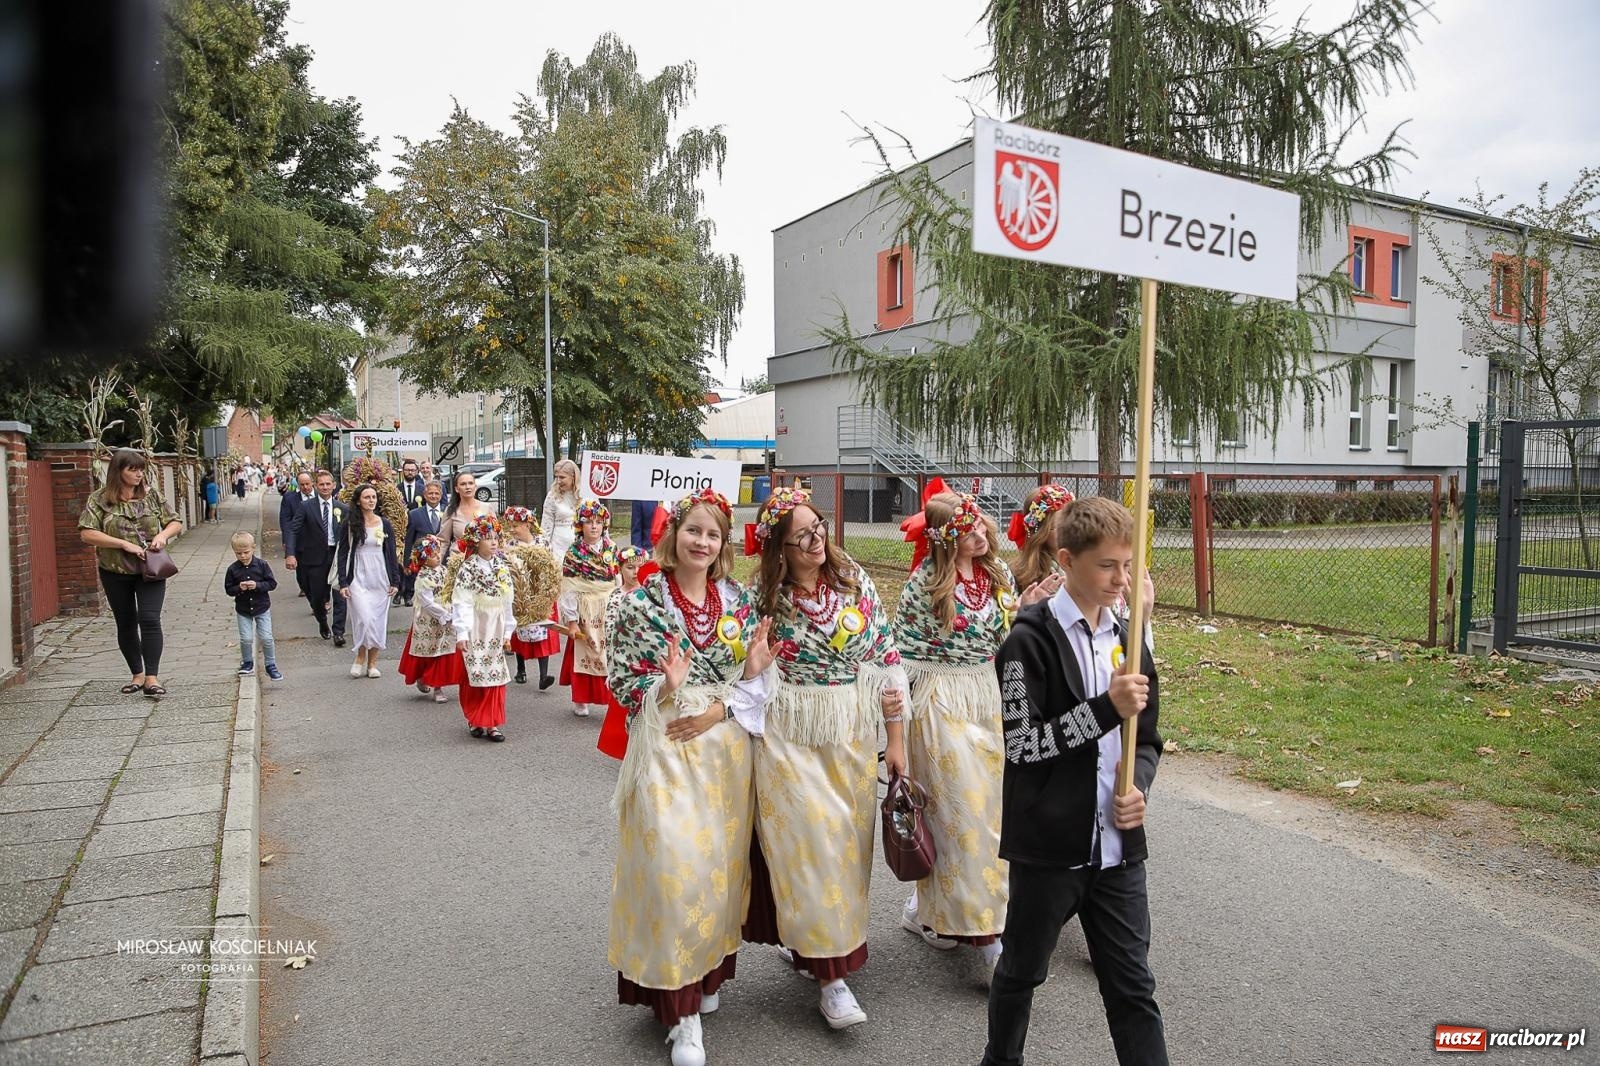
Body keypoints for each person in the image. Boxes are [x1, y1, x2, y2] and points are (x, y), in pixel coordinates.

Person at [982, 495, 1166, 1066]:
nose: (1122, 578)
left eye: (1128, 565)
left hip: (1116, 851)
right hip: (1049, 849)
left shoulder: (1128, 637)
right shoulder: (1025, 642)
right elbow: (1023, 745)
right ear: (1066, 560)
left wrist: (1136, 785)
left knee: (1133, 988)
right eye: (1107, 565)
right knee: (1020, 971)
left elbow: (1150, 738)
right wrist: (1105, 708)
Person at [603, 489, 775, 1066]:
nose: (702, 542)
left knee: (717, 874)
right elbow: (620, 681)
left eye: (713, 534)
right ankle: (680, 1018)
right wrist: (667, 690)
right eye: (693, 530)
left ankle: (705, 980)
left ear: (723, 544)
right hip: (666, 749)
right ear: (673, 533)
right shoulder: (640, 602)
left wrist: (728, 697)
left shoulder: (739, 601)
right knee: (672, 873)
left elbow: (759, 687)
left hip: (724, 755)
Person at [746, 487, 908, 1030]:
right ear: (779, 549)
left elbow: (886, 658)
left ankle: (821, 946)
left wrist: (897, 738)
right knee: (806, 849)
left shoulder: (854, 580)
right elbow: (742, 672)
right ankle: (831, 979)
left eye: (819, 528)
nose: (817, 542)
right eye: (803, 537)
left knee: (845, 848)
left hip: (848, 734)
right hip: (788, 736)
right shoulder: (762, 598)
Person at [893, 493, 1036, 980]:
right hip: (942, 701)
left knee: (993, 811)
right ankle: (987, 936)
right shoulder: (925, 585)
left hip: (988, 696)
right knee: (962, 814)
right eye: (968, 528)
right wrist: (900, 730)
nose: (981, 534)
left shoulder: (999, 576)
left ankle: (935, 910)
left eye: (982, 526)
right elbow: (903, 655)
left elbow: (1009, 633)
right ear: (945, 538)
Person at [77, 448, 184, 697]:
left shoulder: (151, 495)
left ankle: (152, 678)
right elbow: (86, 533)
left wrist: (162, 536)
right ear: (118, 471)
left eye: (141, 469)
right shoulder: (100, 499)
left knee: (149, 618)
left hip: (150, 568)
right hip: (114, 570)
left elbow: (175, 521)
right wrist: (122, 543)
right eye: (132, 469)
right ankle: (136, 674)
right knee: (126, 622)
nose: (139, 474)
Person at [450, 515, 516, 742]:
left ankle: (492, 723)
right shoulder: (468, 568)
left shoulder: (501, 566)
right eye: (487, 538)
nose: (493, 542)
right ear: (476, 541)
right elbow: (461, 601)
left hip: (496, 626)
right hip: (476, 626)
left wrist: (508, 631)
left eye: (496, 537)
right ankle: (475, 718)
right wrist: (461, 631)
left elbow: (508, 601)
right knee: (475, 672)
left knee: (496, 674)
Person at [558, 499, 620, 718]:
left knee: (609, 652)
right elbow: (569, 588)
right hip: (585, 607)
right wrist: (572, 620)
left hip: (608, 605)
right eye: (589, 522)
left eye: (598, 522)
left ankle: (612, 697)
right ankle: (582, 699)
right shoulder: (574, 553)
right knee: (587, 650)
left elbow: (617, 578)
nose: (594, 526)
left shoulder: (611, 549)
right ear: (580, 526)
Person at [334, 483, 402, 679]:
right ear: (358, 501)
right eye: (367, 497)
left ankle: (373, 663)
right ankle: (360, 657)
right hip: (358, 575)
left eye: (373, 497)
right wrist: (343, 582)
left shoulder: (384, 524)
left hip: (379, 576)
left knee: (378, 621)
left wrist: (395, 581)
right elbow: (343, 554)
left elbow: (390, 553)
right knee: (364, 619)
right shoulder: (349, 524)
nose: (371, 500)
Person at [595, 545, 648, 760]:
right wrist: (614, 666)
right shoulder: (617, 597)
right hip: (627, 660)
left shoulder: (650, 594)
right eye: (630, 567)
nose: (635, 572)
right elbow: (611, 633)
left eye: (639, 567)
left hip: (648, 658)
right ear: (620, 570)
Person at [397, 534, 462, 704]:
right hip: (429, 619)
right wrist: (443, 614)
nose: (438, 556)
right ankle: (422, 676)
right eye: (433, 555)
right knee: (428, 651)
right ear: (424, 559)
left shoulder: (444, 571)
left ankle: (438, 685)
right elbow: (426, 602)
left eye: (438, 553)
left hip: (445, 617)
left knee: (442, 651)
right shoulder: (423, 578)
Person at [501, 506, 557, 688]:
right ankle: (521, 669)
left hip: (540, 590)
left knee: (543, 629)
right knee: (519, 629)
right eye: (510, 526)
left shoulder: (542, 542)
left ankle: (543, 676)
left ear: (527, 524)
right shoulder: (510, 546)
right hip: (519, 591)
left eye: (515, 525)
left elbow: (551, 564)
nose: (511, 530)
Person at [285, 470, 344, 641]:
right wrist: (290, 553)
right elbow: (293, 530)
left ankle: (338, 631)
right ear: (316, 486)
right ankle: (322, 620)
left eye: (328, 484)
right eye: (321, 484)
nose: (325, 487)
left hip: (336, 555)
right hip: (314, 557)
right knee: (317, 596)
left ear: (333, 486)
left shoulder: (342, 508)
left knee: (340, 593)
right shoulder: (306, 507)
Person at [224, 531, 282, 681]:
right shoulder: (232, 569)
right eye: (239, 553)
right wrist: (239, 588)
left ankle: (271, 664)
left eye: (246, 552)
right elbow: (229, 589)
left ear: (253, 548)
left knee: (267, 637)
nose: (243, 556)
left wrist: (257, 585)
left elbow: (272, 584)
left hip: (262, 607)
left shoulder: (262, 565)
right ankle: (247, 662)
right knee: (246, 639)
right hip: (243, 610)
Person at [401, 480, 446, 607]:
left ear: (441, 495)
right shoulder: (414, 514)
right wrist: (407, 563)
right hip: (422, 561)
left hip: (442, 558)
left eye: (436, 493)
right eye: (430, 493)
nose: (433, 496)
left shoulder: (447, 512)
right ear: (425, 495)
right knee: (424, 595)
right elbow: (409, 539)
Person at [441, 469, 497, 555]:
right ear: (456, 489)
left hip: (483, 560)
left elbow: (497, 536)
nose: (467, 487)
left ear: (475, 486)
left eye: (470, 483)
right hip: (458, 560)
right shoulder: (451, 510)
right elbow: (443, 541)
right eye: (463, 484)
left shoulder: (487, 508)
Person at [539, 458, 580, 560]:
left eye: (562, 477)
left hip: (581, 548)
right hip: (558, 549)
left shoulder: (586, 495)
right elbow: (545, 527)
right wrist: (543, 552)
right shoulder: (552, 496)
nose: (558, 481)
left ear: (573, 477)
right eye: (556, 477)